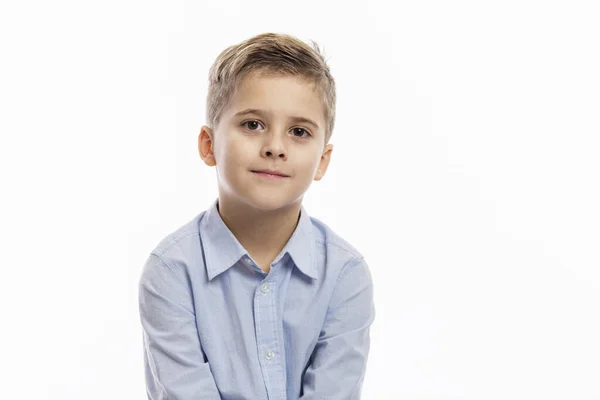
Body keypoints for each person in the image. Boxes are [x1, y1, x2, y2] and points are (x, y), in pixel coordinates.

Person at [138, 32, 376, 400]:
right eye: (252, 124)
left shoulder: (345, 274)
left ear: (322, 161)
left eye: (299, 131)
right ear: (208, 145)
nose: (275, 148)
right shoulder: (171, 271)